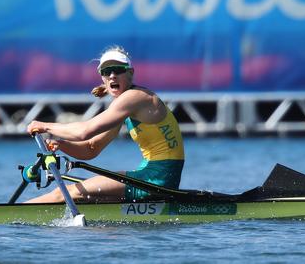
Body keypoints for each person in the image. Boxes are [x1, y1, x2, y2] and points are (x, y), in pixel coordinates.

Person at [25, 46, 185, 203]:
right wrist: (61, 144)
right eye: (107, 72)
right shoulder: (124, 105)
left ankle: (12, 218)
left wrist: (45, 126)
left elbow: (84, 132)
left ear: (131, 73)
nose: (113, 76)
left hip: (156, 178)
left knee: (65, 192)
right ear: (102, 77)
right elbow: (91, 147)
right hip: (156, 176)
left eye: (118, 69)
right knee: (87, 205)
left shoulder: (136, 98)